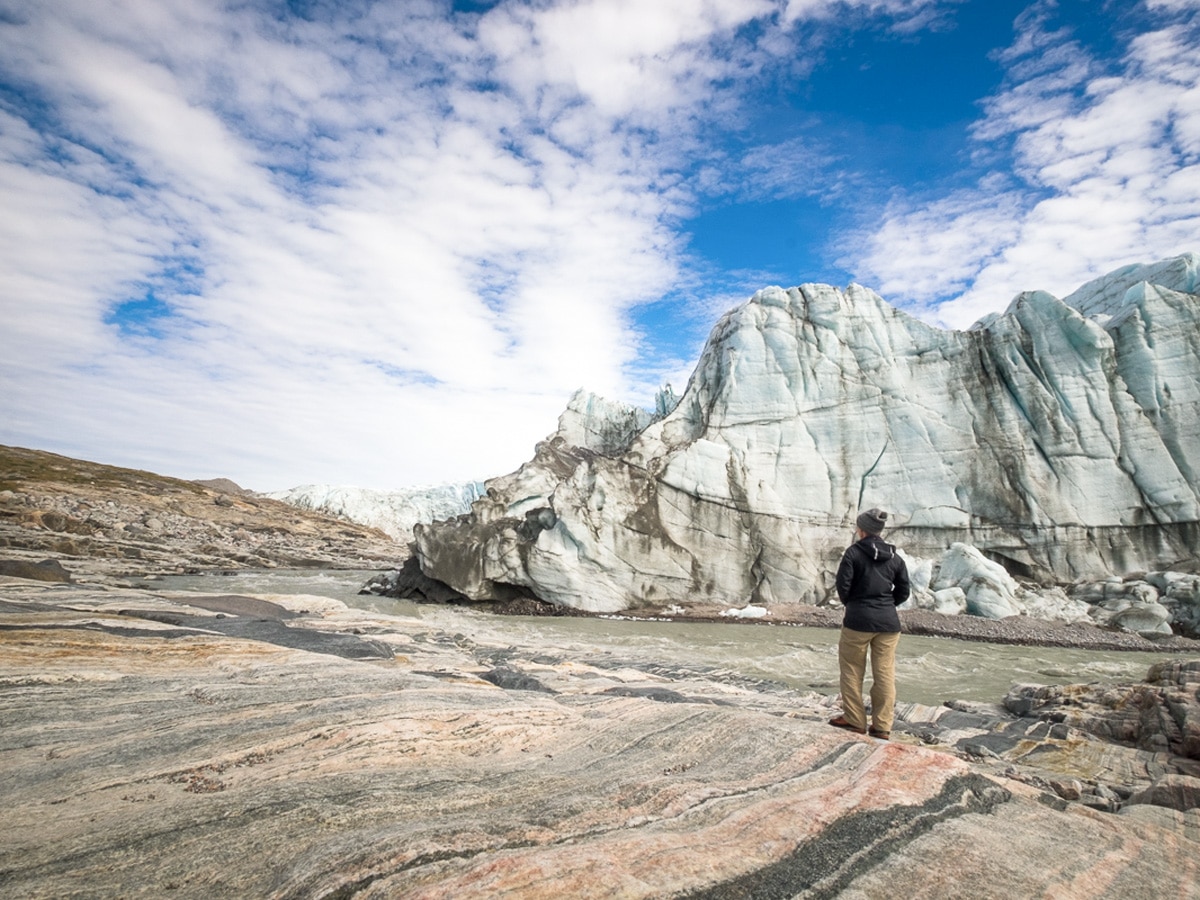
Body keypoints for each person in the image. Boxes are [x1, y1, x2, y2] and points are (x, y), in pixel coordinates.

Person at [828, 507, 910, 740]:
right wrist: (886, 605)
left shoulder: (853, 553)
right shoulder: (895, 557)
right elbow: (904, 591)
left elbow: (843, 586)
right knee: (884, 673)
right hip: (888, 624)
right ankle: (882, 726)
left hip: (857, 621)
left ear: (861, 529)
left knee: (852, 670)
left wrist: (854, 604)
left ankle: (855, 720)